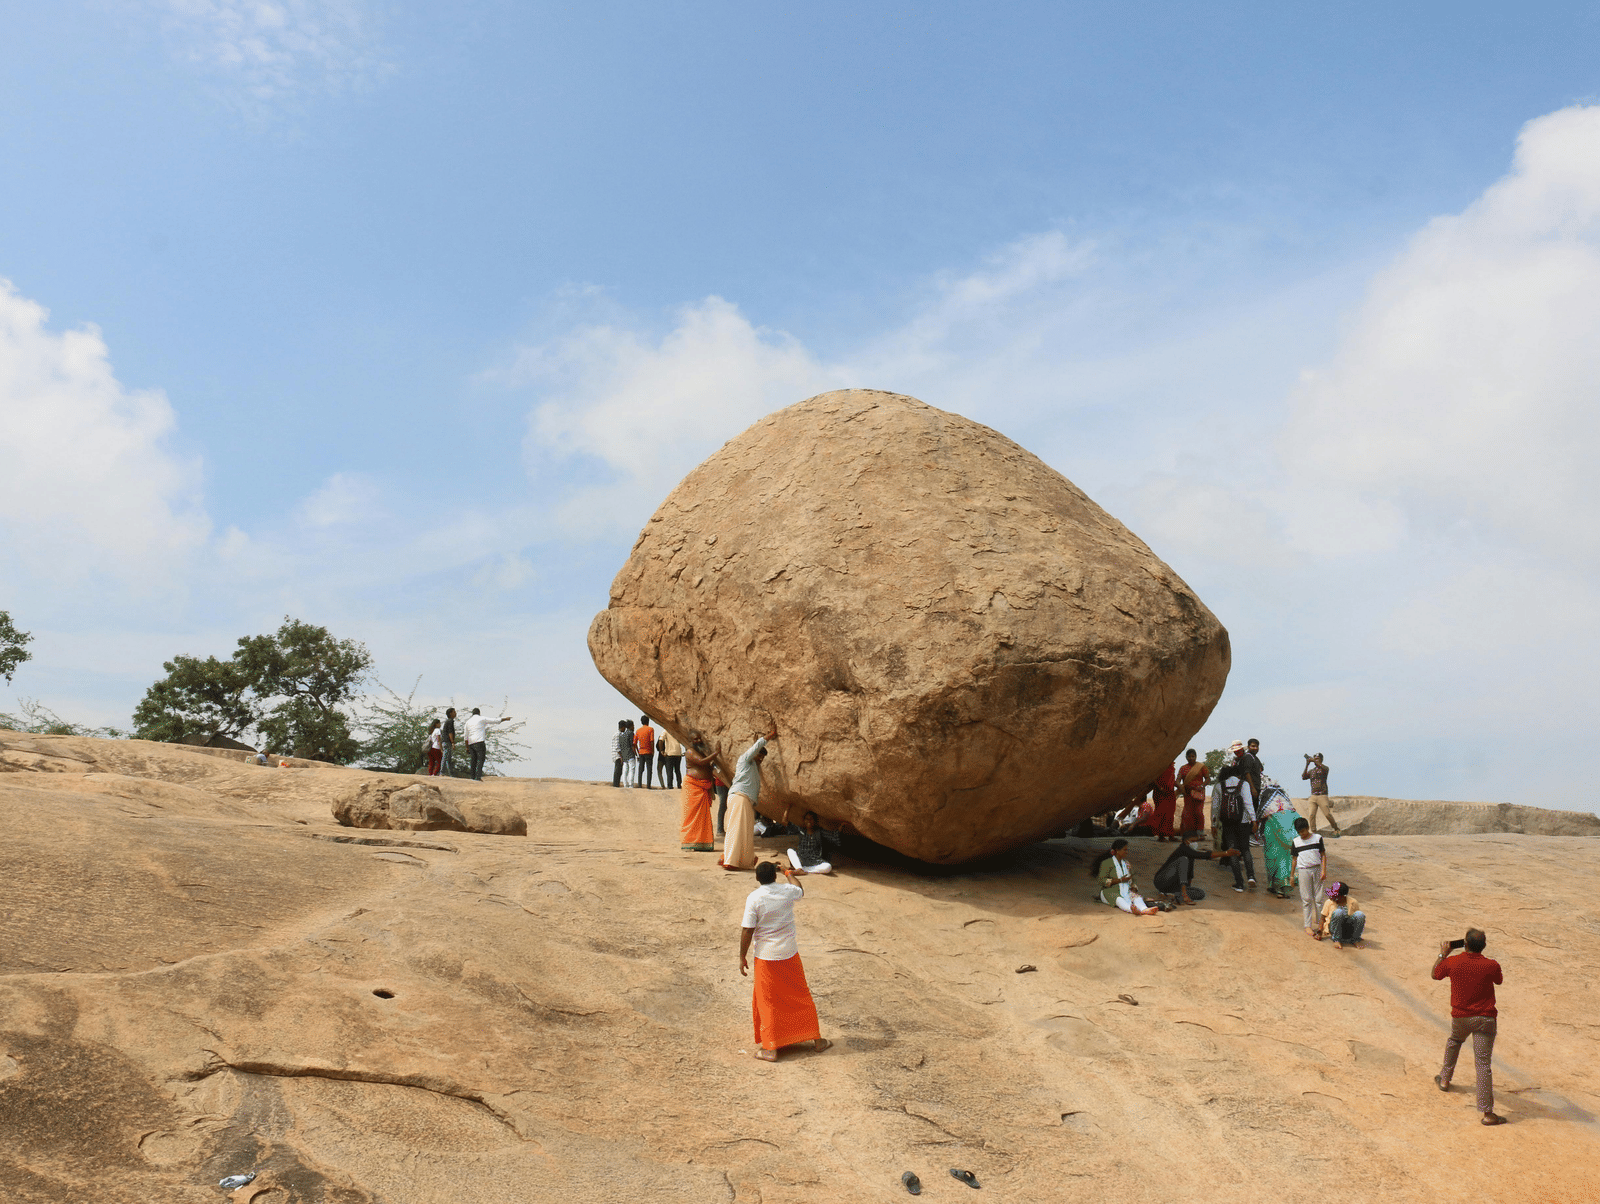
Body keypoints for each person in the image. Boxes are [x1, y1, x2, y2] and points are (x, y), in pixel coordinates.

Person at [740, 860, 831, 1061]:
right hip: (789, 953)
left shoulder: (754, 898)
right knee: (800, 994)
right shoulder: (787, 891)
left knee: (768, 1000)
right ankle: (816, 1040)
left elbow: (748, 929)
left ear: (757, 879)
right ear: (774, 875)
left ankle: (771, 1049)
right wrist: (787, 872)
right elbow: (799, 889)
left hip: (766, 956)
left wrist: (741, 956)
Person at [1432, 929, 1506, 1125]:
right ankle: (1488, 1113)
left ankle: (1445, 1079)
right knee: (1483, 1065)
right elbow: (1499, 980)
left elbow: (1435, 974)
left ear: (1464, 944)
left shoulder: (1453, 962)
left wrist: (1443, 953)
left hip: (1461, 1017)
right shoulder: (1491, 965)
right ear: (1484, 945)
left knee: (1455, 1041)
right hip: (1485, 1019)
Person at [720, 730, 777, 871]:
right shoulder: (745, 760)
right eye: (759, 756)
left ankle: (745, 860)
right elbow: (755, 747)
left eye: (762, 758)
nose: (760, 760)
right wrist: (768, 737)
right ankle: (730, 860)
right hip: (739, 797)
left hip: (746, 800)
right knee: (736, 829)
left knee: (746, 832)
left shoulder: (754, 768)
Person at [1152, 832, 1239, 905]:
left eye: (1196, 841)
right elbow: (1204, 855)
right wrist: (1226, 853)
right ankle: (1183, 894)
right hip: (1162, 880)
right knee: (1183, 860)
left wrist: (1187, 888)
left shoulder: (1191, 854)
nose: (1195, 843)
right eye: (1193, 841)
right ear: (1186, 841)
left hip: (1173, 887)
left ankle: (1172, 895)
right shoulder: (1183, 849)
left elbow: (1189, 875)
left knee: (1200, 893)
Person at [1215, 744, 1257, 892]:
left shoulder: (1220, 786)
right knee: (1245, 849)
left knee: (1232, 850)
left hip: (1227, 823)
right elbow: (1248, 803)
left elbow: (1215, 807)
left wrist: (1214, 825)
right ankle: (1251, 877)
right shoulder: (1243, 784)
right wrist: (1254, 820)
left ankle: (1239, 884)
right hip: (1243, 821)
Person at [1257, 777, 1302, 898]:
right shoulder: (1289, 808)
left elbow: (1260, 817)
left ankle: (1275, 886)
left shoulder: (1266, 805)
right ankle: (1282, 889)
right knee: (1286, 861)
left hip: (1272, 837)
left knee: (1273, 860)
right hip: (1288, 839)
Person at [1093, 839, 1161, 915]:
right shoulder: (1106, 863)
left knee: (1137, 897)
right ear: (1117, 851)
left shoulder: (1126, 863)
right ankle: (1131, 909)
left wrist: (1133, 888)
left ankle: (1144, 909)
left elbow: (1132, 879)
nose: (1127, 852)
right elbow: (1101, 880)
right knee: (1119, 899)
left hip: (1125, 890)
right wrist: (1119, 880)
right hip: (1109, 891)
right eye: (1124, 850)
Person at [1290, 816, 1328, 934]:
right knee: (1306, 899)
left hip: (1316, 869)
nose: (1302, 834)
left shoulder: (1317, 838)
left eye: (1303, 831)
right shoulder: (1296, 841)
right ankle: (1307, 925)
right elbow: (1294, 859)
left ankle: (1321, 923)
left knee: (1318, 898)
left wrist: (1323, 870)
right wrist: (1292, 875)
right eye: (1299, 832)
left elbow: (1323, 855)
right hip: (1303, 871)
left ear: (1308, 828)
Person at [679, 736, 717, 852]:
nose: (698, 741)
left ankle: (703, 843)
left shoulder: (702, 752)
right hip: (692, 786)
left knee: (703, 817)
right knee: (692, 815)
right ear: (690, 741)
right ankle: (690, 842)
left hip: (703, 787)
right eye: (695, 739)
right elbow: (701, 762)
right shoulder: (689, 752)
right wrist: (716, 753)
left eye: (699, 739)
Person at [463, 707, 512, 781]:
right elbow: (494, 720)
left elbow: (465, 736)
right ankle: (478, 777)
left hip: (471, 743)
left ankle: (472, 777)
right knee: (480, 759)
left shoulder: (468, 722)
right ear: (479, 713)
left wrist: (467, 747)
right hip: (479, 742)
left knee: (473, 760)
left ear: (472, 714)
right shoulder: (481, 719)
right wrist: (505, 719)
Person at [1302, 753, 1342, 837]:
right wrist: (1307, 764)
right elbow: (1304, 777)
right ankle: (1313, 832)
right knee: (1311, 815)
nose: (1315, 760)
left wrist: (1313, 760)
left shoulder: (1324, 769)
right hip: (1313, 796)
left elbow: (1322, 767)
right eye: (1315, 758)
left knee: (1327, 814)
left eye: (1317, 759)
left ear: (1321, 760)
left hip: (1322, 795)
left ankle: (1336, 828)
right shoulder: (1312, 771)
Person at [1315, 881, 1365, 949]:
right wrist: (1319, 932)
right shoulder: (1329, 902)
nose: (1332, 896)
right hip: (1334, 928)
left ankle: (1355, 939)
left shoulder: (1353, 902)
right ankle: (1337, 939)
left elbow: (1358, 920)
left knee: (1360, 914)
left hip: (1349, 929)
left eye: (1335, 895)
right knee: (1338, 912)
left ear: (1342, 896)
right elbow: (1322, 918)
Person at [1177, 749, 1208, 834]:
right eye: (1189, 756)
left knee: (1198, 812)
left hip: (1199, 793)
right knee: (1187, 813)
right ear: (1186, 757)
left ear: (1196, 757)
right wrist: (1181, 787)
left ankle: (1199, 832)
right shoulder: (1183, 768)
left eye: (1193, 756)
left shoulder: (1201, 767)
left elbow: (1208, 779)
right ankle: (1187, 833)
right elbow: (1177, 781)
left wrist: (1202, 786)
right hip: (1187, 794)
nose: (1191, 758)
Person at [1242, 738, 1265, 844]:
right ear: (1248, 747)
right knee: (1250, 813)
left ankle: (1252, 836)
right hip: (1250, 789)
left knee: (1255, 811)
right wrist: (1252, 788)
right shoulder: (1248, 757)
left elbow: (1261, 769)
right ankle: (1249, 837)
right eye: (1252, 746)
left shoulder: (1254, 758)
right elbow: (1247, 773)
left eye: (1256, 746)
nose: (1255, 748)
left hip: (1256, 787)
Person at [1152, 761, 1179, 841]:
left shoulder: (1171, 768)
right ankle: (1161, 836)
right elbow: (1153, 778)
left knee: (1170, 814)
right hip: (1160, 793)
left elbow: (1172, 781)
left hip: (1169, 793)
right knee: (1161, 814)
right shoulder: (1159, 766)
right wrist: (1160, 788)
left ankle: (1170, 835)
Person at [633, 716, 656, 789]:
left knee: (641, 769)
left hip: (641, 752)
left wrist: (637, 751)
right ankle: (648, 786)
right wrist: (653, 751)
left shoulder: (638, 731)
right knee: (649, 769)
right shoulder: (650, 729)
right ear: (648, 721)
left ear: (641, 722)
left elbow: (634, 743)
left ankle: (640, 785)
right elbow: (651, 741)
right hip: (648, 751)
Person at [611, 720, 632, 788]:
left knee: (619, 770)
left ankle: (616, 784)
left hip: (616, 755)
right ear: (622, 727)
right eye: (624, 727)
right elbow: (617, 747)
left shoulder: (616, 734)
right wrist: (621, 756)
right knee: (618, 770)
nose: (625, 729)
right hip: (617, 755)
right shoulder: (618, 735)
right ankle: (615, 784)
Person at [440, 708, 458, 777]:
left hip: (445, 741)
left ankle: (450, 774)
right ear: (450, 713)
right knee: (445, 756)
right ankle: (442, 772)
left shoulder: (448, 721)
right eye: (454, 712)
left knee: (448, 758)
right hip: (447, 741)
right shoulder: (450, 721)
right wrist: (453, 742)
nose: (455, 713)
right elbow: (450, 733)